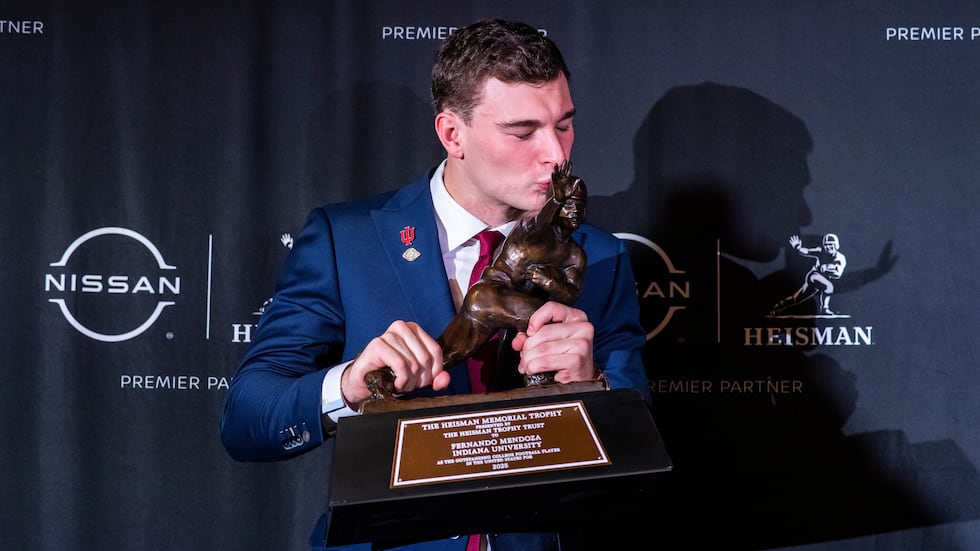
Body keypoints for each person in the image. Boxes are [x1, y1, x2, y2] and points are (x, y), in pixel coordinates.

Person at [220, 18, 651, 551]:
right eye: (522, 132)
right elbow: (246, 419)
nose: (557, 154)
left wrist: (591, 387)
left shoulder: (600, 256)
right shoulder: (346, 238)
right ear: (453, 134)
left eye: (564, 124)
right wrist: (350, 385)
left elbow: (639, 451)